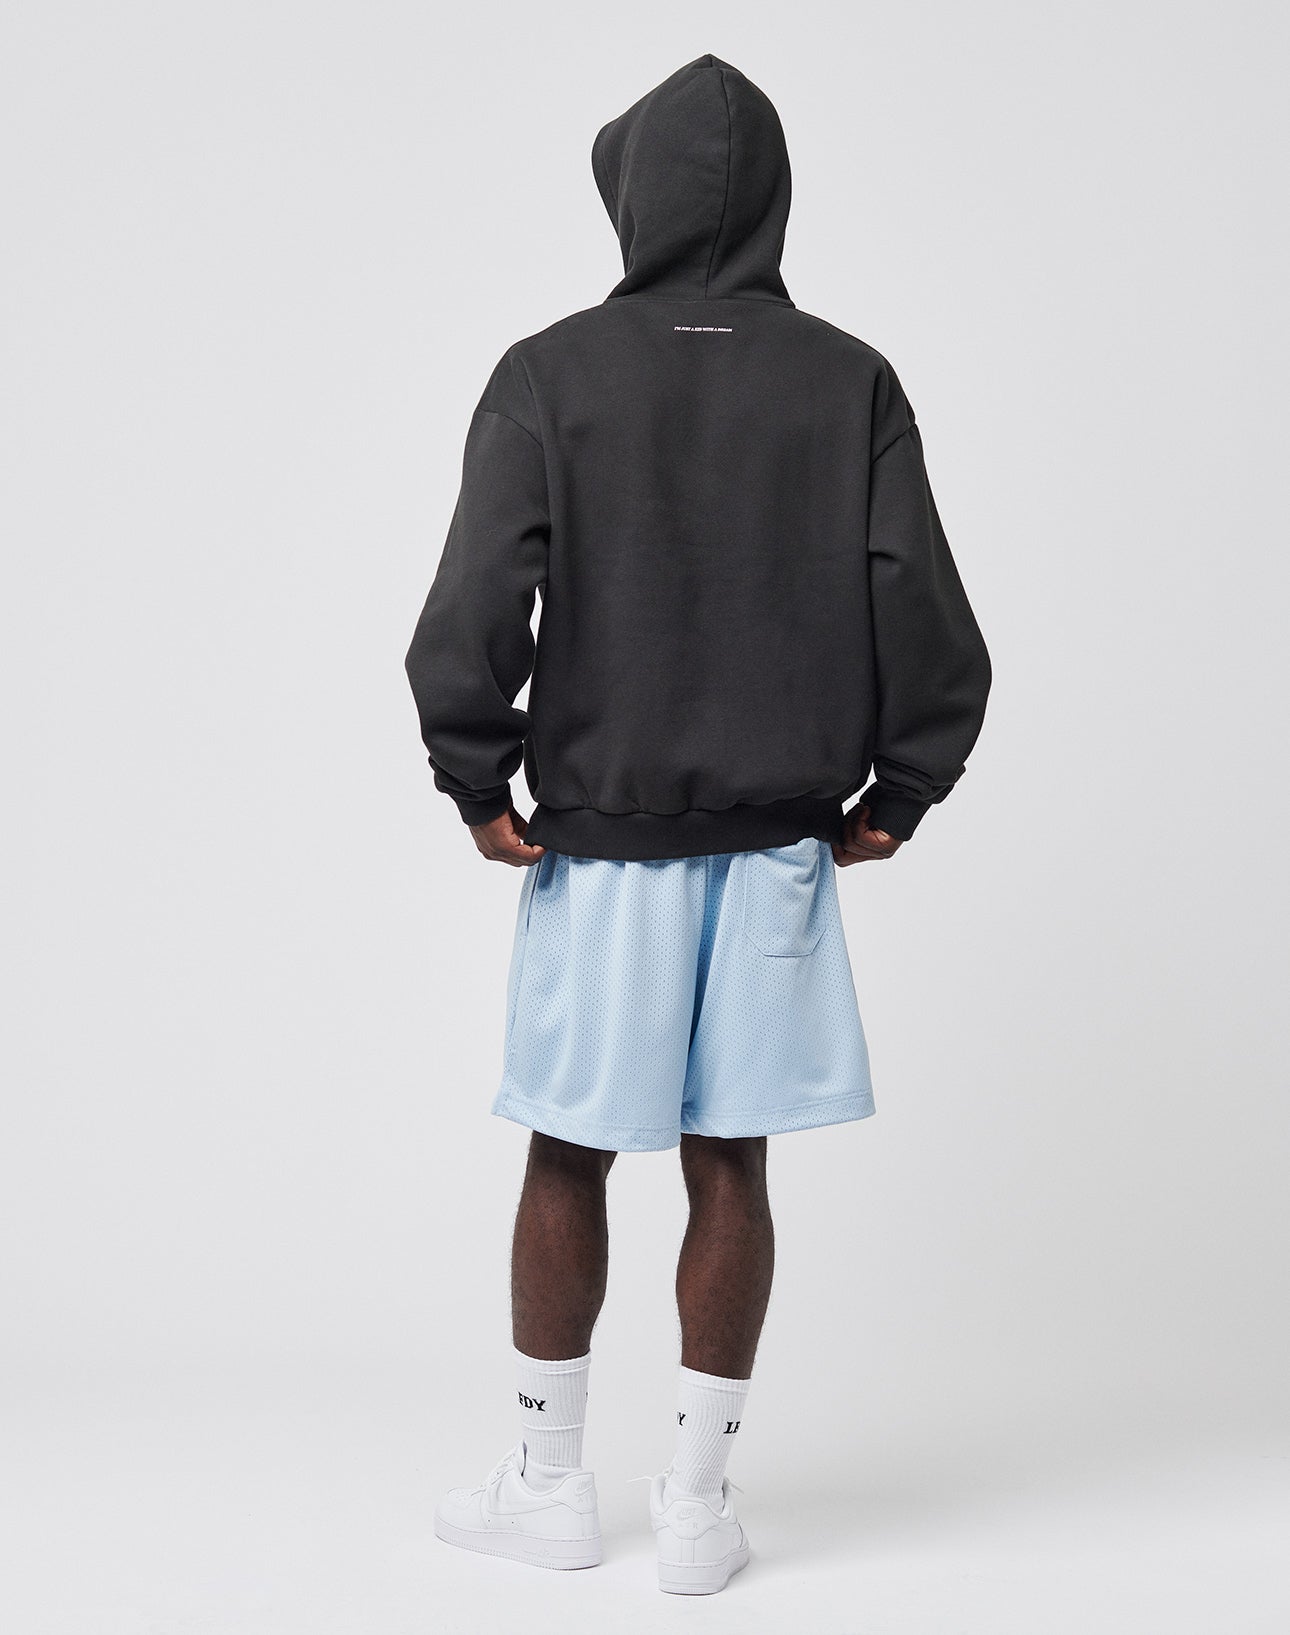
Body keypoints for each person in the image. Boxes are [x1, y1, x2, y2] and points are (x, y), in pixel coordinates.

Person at [404, 54, 990, 1596]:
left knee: (569, 1148)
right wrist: (898, 794)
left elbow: (473, 605)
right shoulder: (848, 379)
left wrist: (478, 782)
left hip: (602, 842)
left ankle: (547, 1487)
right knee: (732, 1160)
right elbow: (922, 606)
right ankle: (695, 1507)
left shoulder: (550, 372)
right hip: (781, 841)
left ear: (629, 195)